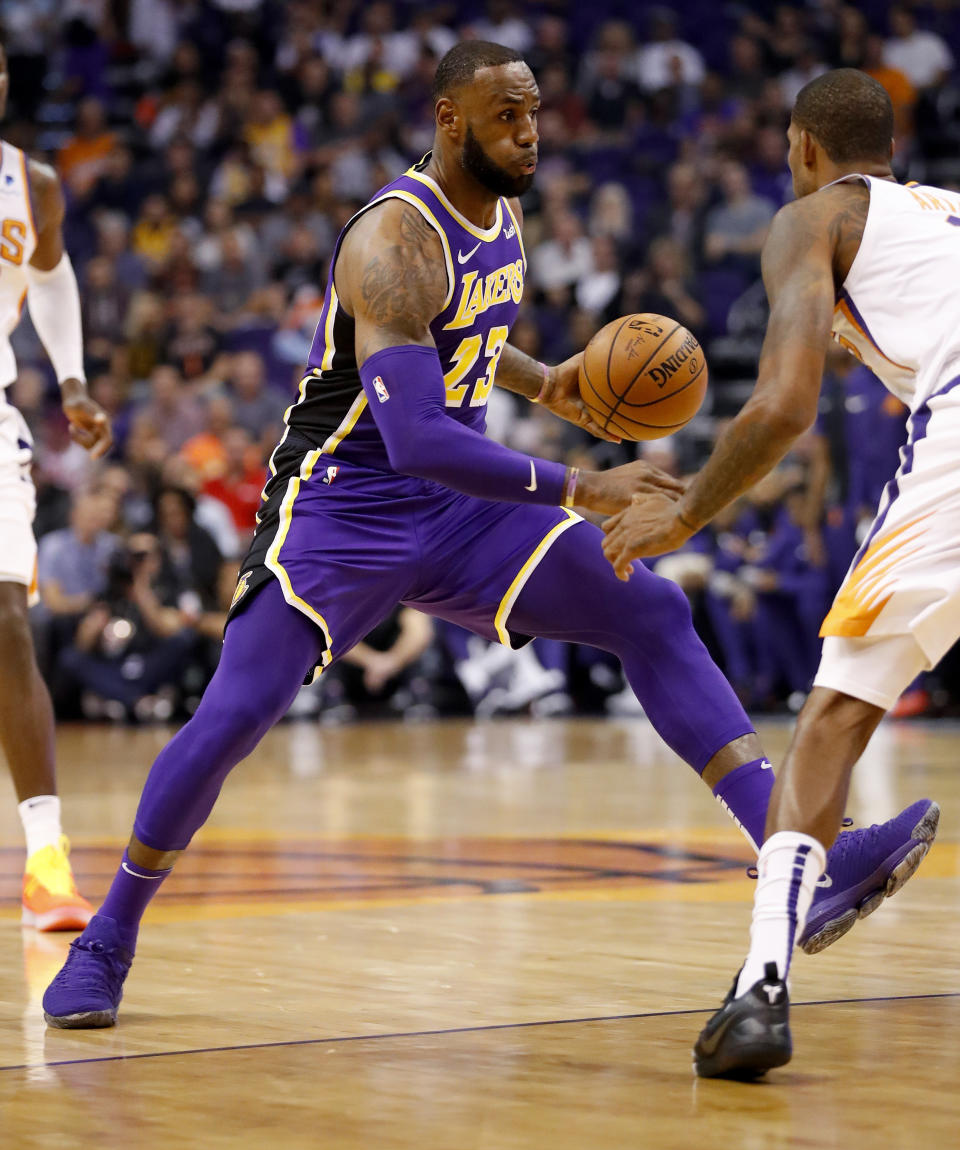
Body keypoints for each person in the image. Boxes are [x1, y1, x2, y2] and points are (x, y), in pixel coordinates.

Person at [44, 45, 931, 1029]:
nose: (530, 132)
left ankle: (798, 856)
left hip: (461, 512)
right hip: (341, 508)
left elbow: (460, 334)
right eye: (507, 115)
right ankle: (109, 934)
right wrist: (584, 485)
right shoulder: (391, 237)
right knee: (232, 719)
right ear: (450, 119)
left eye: (536, 112)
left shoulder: (499, 216)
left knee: (649, 606)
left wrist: (544, 380)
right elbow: (417, 436)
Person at [600, 70, 946, 1078]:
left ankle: (761, 988)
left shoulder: (811, 218)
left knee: (835, 715)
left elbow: (785, 404)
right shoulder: (944, 215)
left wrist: (687, 506)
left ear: (801, 147)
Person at [0, 43, 113, 930]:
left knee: (7, 617)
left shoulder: (30, 182)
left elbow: (50, 276)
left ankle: (45, 858)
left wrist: (72, 380)